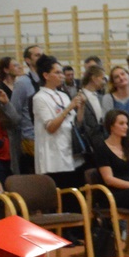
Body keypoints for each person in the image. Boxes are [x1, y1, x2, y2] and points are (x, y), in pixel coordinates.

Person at [29, 55, 83, 187]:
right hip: (52, 156)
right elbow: (51, 127)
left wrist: (82, 106)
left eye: (61, 73)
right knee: (58, 193)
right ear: (46, 75)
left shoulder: (63, 95)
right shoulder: (39, 98)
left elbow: (76, 122)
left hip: (69, 151)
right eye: (57, 73)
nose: (62, 76)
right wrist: (69, 107)